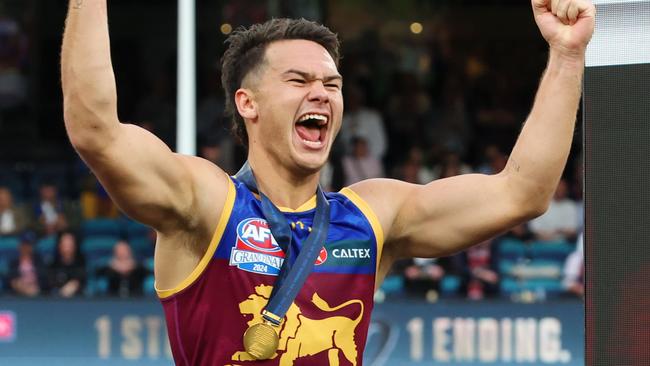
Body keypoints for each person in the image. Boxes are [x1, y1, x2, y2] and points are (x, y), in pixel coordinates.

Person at [61, 0, 594, 364]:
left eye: (332, 83)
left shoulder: (370, 218)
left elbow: (522, 192)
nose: (321, 92)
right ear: (247, 103)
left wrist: (568, 54)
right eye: (298, 80)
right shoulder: (207, 205)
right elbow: (96, 131)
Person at [7, 232, 47, 297]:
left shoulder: (39, 262)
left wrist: (35, 288)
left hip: (37, 297)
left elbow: (44, 281)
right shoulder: (14, 263)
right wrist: (22, 287)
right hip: (18, 297)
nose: (27, 248)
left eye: (30, 245)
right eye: (25, 244)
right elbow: (10, 281)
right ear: (20, 245)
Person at [48, 230, 86, 297]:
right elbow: (49, 288)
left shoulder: (82, 264)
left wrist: (75, 285)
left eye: (70, 243)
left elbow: (84, 285)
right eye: (65, 243)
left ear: (75, 246)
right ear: (60, 246)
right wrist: (61, 292)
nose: (68, 247)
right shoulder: (53, 265)